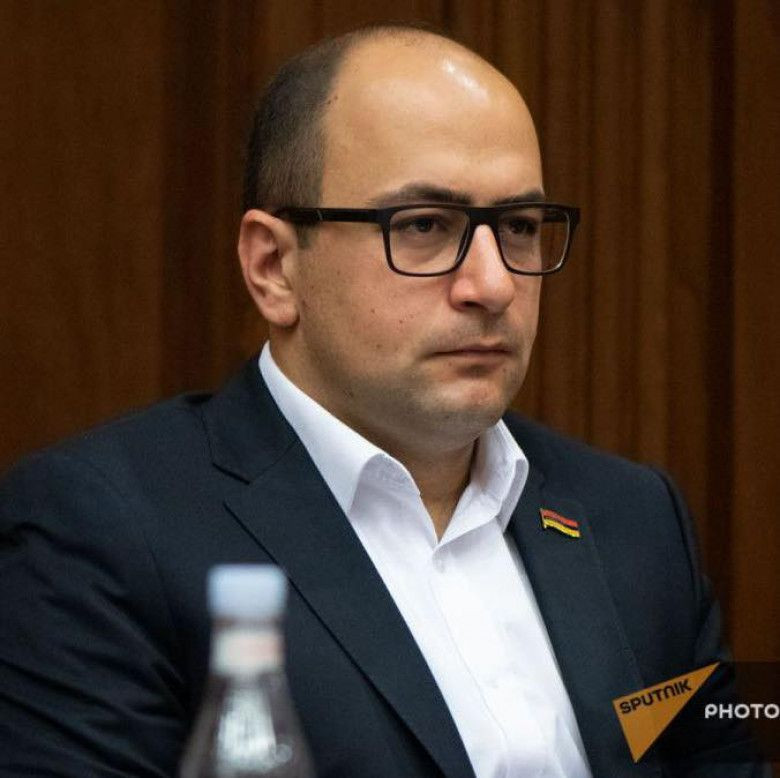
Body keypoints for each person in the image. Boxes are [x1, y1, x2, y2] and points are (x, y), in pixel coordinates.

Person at [0, 23, 768, 778]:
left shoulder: (631, 518)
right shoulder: (103, 530)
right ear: (274, 267)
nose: (493, 285)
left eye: (519, 227)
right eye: (425, 226)